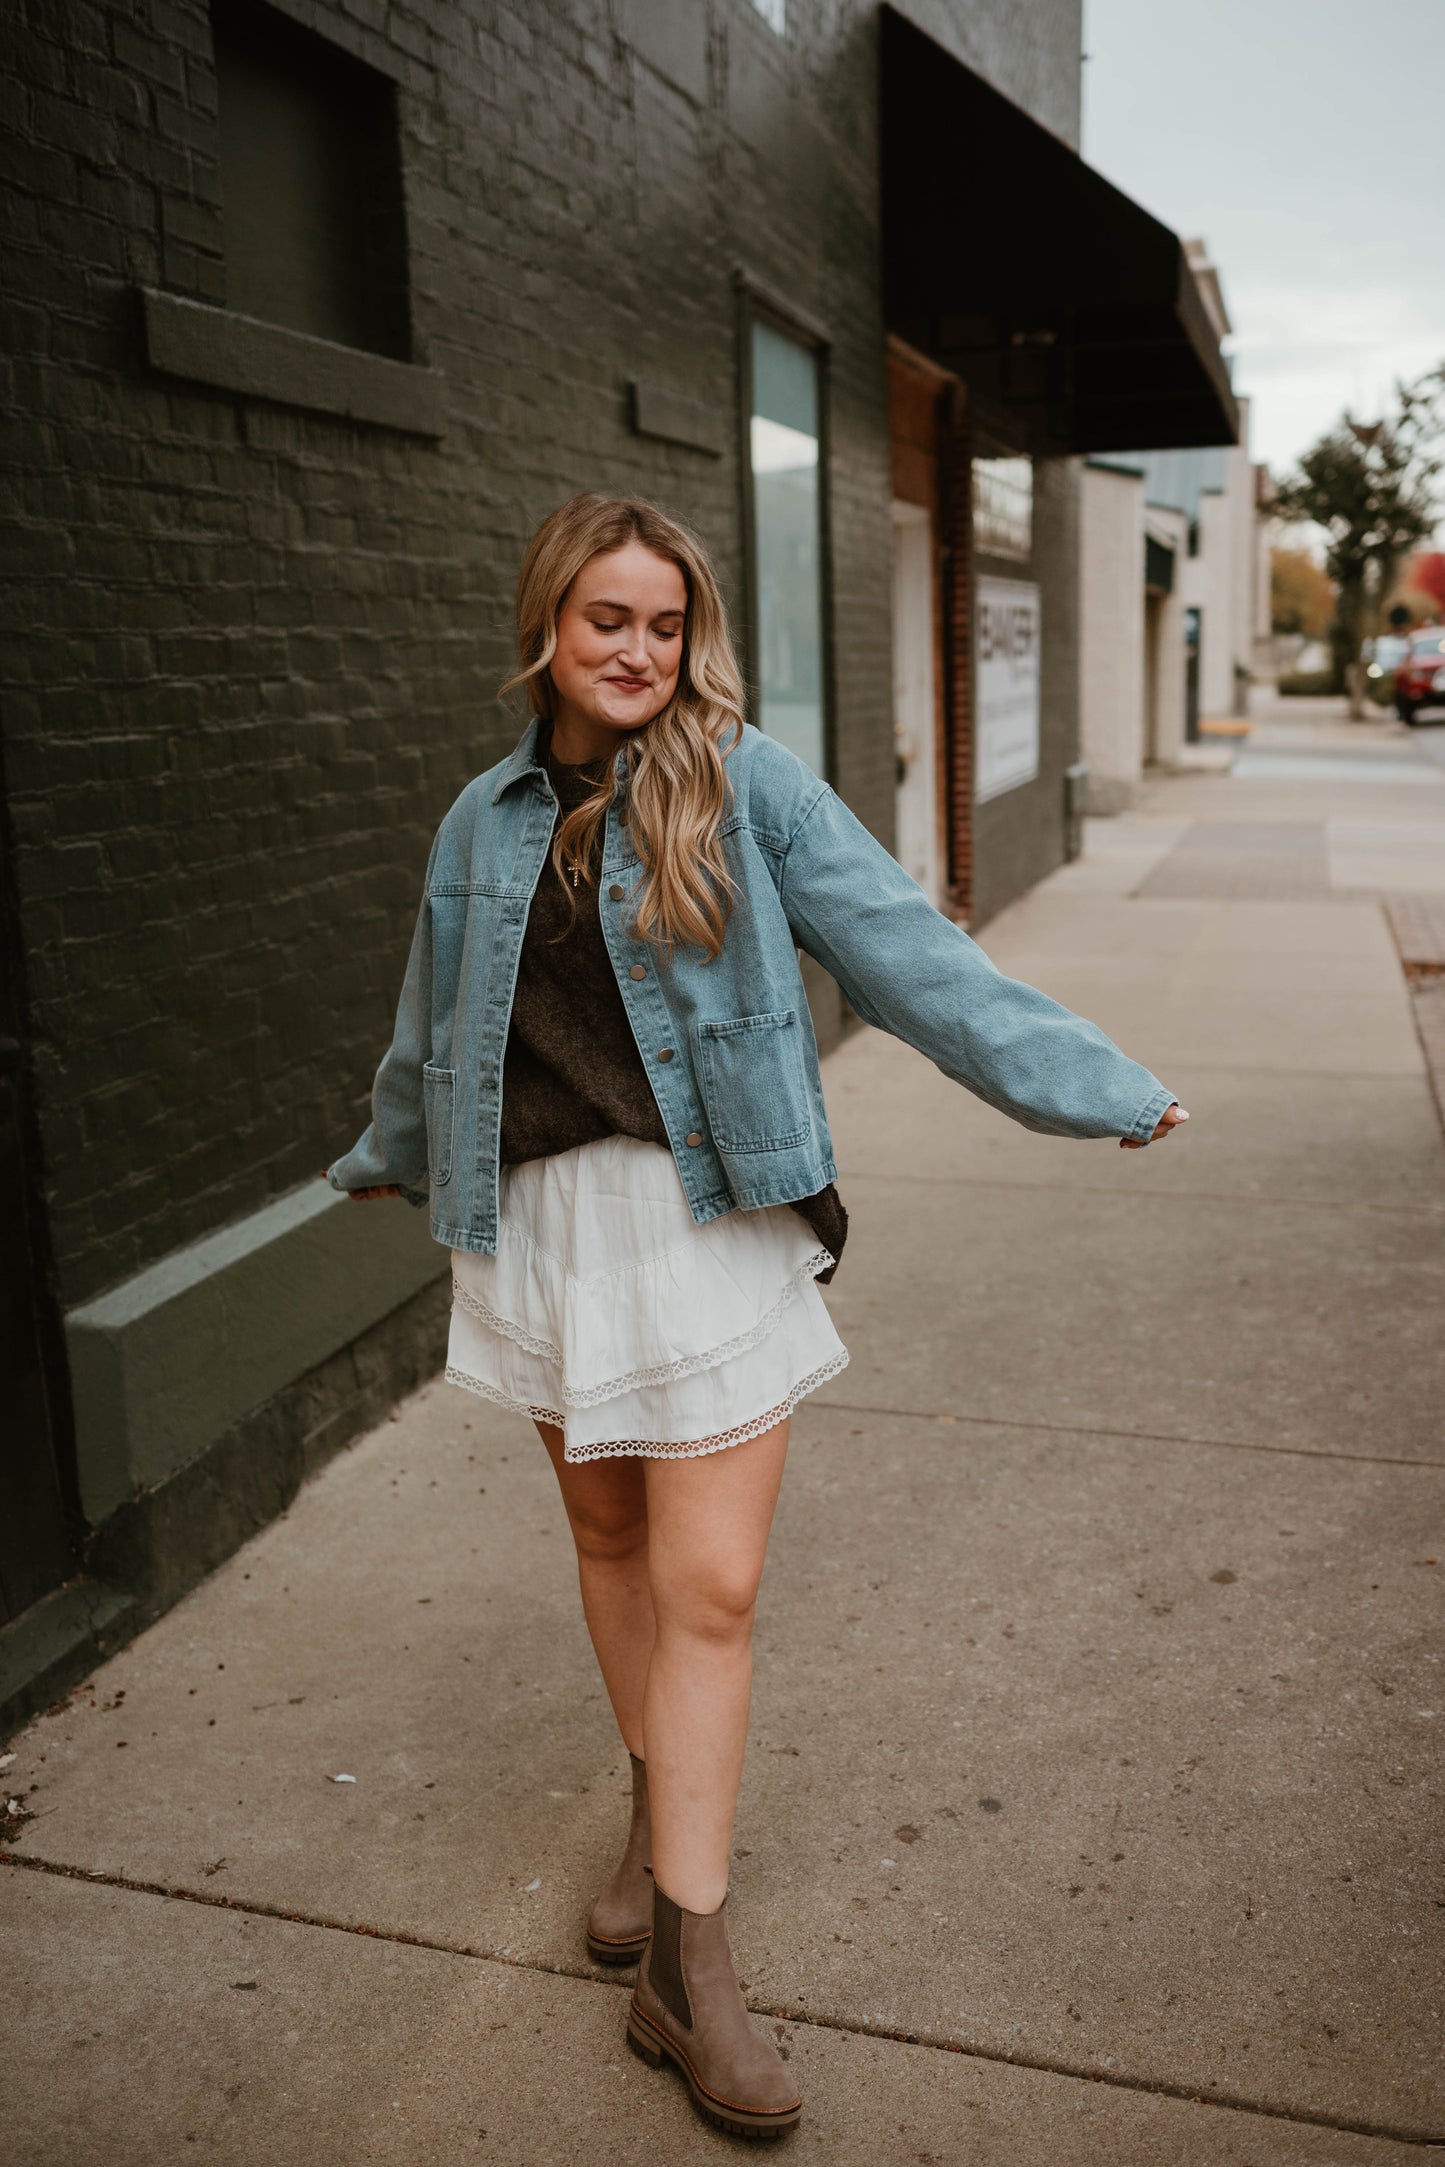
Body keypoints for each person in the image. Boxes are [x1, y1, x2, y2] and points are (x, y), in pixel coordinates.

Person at [328, 492, 1187, 2140]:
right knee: (603, 1543)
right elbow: (430, 1020)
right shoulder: (479, 822)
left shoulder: (746, 784)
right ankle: (658, 1842)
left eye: (664, 622)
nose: (639, 650)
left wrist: (1089, 1086)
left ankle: (688, 1968)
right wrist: (386, 1155)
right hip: (543, 1229)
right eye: (608, 622)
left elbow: (906, 957)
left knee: (707, 1585)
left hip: (706, 1226)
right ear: (548, 632)